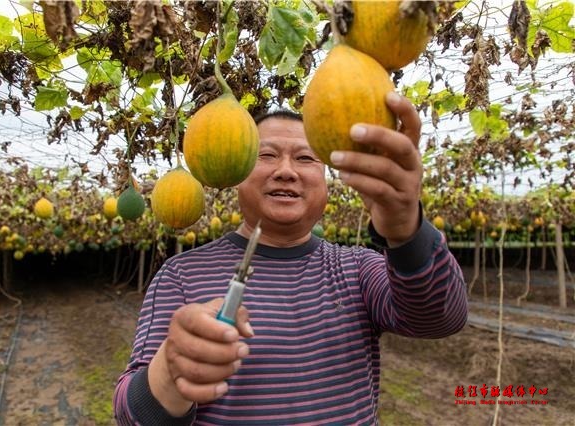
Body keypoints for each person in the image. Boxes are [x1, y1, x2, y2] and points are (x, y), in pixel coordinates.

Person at [113, 92, 468, 425]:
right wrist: (170, 372)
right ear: (238, 173)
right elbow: (131, 415)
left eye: (305, 158)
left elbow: (442, 319)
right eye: (266, 155)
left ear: (326, 180)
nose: (286, 170)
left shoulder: (358, 269)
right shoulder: (181, 275)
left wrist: (406, 229)